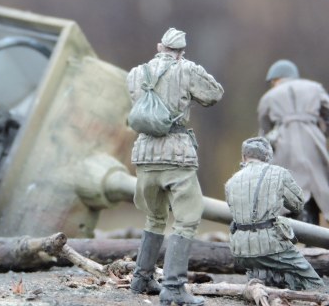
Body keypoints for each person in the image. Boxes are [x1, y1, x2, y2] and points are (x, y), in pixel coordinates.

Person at [127, 27, 223, 306]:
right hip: (176, 154)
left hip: (144, 154)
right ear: (181, 51)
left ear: (160, 47)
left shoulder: (136, 73)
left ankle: (141, 278)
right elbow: (214, 93)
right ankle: (173, 287)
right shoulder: (186, 69)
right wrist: (189, 70)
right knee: (187, 219)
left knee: (154, 217)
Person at [225, 136, 324, 290]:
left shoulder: (231, 182)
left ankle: (264, 283)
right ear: (267, 156)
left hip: (241, 250)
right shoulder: (279, 173)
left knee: (270, 274)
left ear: (244, 157)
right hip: (271, 245)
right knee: (315, 282)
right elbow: (298, 205)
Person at [258, 59, 329, 225]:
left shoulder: (269, 97)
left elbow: (264, 130)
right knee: (319, 183)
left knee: (287, 187)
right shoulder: (315, 88)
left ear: (276, 79)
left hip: (284, 146)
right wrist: (322, 132)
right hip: (313, 142)